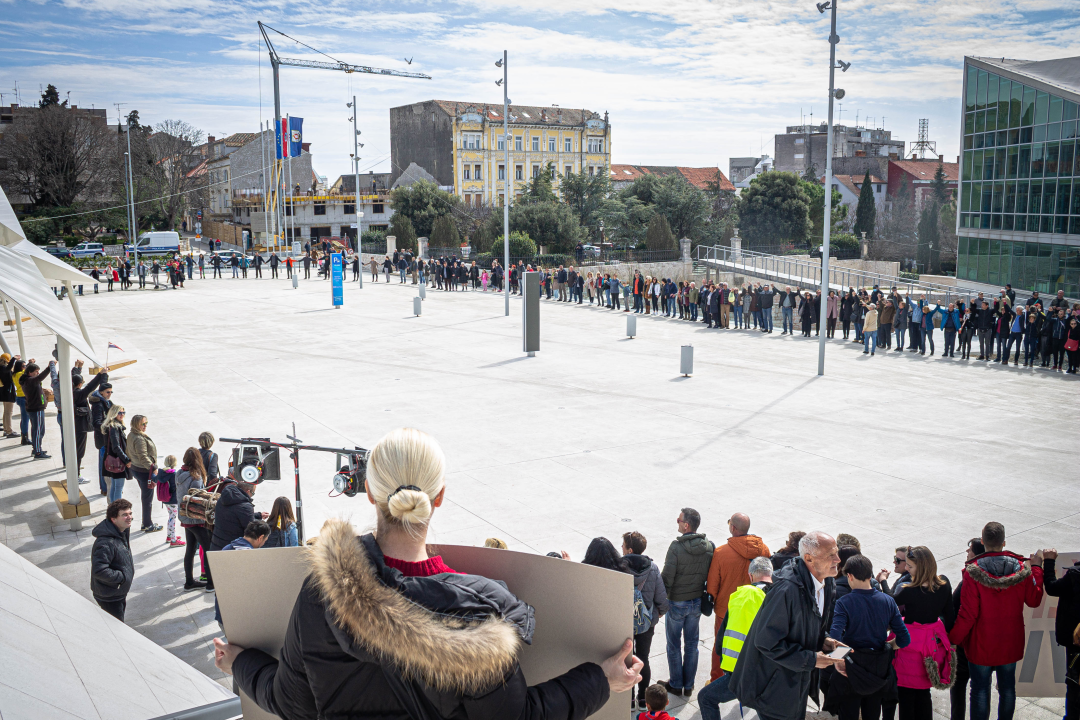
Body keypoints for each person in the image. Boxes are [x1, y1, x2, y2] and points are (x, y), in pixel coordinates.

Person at [215, 427, 641, 719]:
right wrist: (601, 679)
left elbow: (294, 704)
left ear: (369, 494)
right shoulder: (480, 614)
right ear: (439, 497)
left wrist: (239, 662)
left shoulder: (322, 592)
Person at [730, 531, 842, 720]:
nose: (838, 559)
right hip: (773, 690)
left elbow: (808, 624)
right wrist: (811, 660)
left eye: (836, 552)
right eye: (831, 555)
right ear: (809, 558)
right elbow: (766, 641)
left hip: (796, 684)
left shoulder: (827, 582)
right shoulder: (786, 590)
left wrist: (824, 640)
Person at [949, 523, 1046, 720]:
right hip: (1011, 643)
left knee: (980, 690)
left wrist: (953, 639)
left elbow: (967, 614)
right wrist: (1036, 568)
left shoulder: (972, 573)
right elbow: (1034, 600)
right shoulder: (1021, 569)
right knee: (1008, 688)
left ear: (982, 541)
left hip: (980, 645)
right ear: (1004, 542)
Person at [823, 554, 910, 720]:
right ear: (870, 575)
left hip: (850, 668)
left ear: (849, 576)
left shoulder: (844, 602)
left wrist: (837, 661)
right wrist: (887, 646)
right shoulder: (888, 601)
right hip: (877, 670)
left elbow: (835, 636)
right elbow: (904, 639)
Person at [698, 556, 774, 720]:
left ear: (750, 575)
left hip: (743, 673)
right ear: (771, 575)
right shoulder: (780, 595)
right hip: (771, 673)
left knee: (706, 698)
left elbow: (723, 635)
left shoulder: (744, 595)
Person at [706, 512, 771, 681]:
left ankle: (716, 680)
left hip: (726, 608)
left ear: (733, 528)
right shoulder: (763, 550)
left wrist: (712, 600)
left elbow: (713, 584)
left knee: (721, 646)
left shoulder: (721, 552)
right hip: (757, 608)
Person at [893, 546, 955, 720]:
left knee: (905, 695)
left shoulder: (908, 589)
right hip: (930, 645)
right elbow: (949, 614)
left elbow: (889, 601)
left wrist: (882, 581)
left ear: (921, 567)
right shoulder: (944, 583)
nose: (906, 569)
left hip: (909, 643)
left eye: (910, 566)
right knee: (923, 693)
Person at [659, 508, 714, 698]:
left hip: (677, 603)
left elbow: (667, 578)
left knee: (673, 644)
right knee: (692, 644)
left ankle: (675, 683)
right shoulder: (708, 546)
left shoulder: (676, 547)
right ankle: (689, 685)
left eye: (678, 520)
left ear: (686, 525)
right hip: (696, 602)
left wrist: (660, 604)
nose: (677, 522)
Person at [623, 531, 669, 709]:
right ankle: (643, 700)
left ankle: (628, 700)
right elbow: (661, 598)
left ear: (630, 549)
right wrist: (656, 615)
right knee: (643, 659)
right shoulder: (653, 568)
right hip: (645, 624)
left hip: (623, 623)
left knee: (625, 660)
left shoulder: (619, 567)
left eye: (623, 546)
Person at [949, 538, 985, 720]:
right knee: (980, 688)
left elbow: (957, 611)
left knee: (959, 685)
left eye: (970, 550)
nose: (966, 552)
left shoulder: (968, 581)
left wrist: (952, 639)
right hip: (984, 645)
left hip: (966, 645)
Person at [1042, 549, 1078, 720]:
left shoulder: (1075, 576)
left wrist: (1048, 562)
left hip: (1076, 644)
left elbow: (1051, 587)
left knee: (1074, 684)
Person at [214, 519, 272, 624]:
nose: (263, 544)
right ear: (260, 538)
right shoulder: (249, 557)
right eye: (265, 540)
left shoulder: (227, 548)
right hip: (238, 617)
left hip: (222, 612)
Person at [91, 499, 135, 622]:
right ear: (113, 519)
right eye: (124, 515)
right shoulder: (105, 543)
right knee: (116, 629)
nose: (129, 517)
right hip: (110, 596)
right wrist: (121, 578)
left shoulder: (121, 531)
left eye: (130, 513)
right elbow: (99, 570)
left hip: (117, 592)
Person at [176, 447, 212, 591]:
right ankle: (211, 583)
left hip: (185, 517)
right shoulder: (195, 477)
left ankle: (189, 582)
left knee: (190, 550)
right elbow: (199, 498)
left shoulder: (179, 473)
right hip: (195, 519)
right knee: (209, 549)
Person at [126, 414, 163, 533]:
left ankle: (145, 523)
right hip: (144, 471)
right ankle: (147, 524)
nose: (145, 425)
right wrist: (154, 468)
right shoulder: (139, 438)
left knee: (145, 497)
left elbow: (129, 451)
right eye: (143, 424)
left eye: (146, 423)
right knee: (147, 499)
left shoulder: (132, 434)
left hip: (136, 469)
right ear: (136, 424)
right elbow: (143, 457)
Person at [210, 477, 258, 552]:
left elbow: (233, 516)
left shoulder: (223, 498)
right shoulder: (245, 506)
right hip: (233, 549)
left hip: (217, 545)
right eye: (253, 493)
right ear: (248, 491)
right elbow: (250, 530)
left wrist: (258, 515)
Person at [18, 360, 53, 459]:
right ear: (30, 372)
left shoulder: (28, 380)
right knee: (38, 430)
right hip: (36, 409)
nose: (37, 373)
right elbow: (40, 378)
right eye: (36, 371)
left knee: (39, 430)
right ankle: (37, 451)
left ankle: (37, 448)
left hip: (36, 408)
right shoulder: (30, 381)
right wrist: (49, 368)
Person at [101, 404, 131, 502]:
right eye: (119, 413)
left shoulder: (109, 425)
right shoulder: (114, 427)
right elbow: (116, 447)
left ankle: (113, 509)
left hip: (111, 460)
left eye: (123, 412)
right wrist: (126, 460)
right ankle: (118, 511)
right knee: (118, 488)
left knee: (114, 487)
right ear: (114, 413)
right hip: (117, 461)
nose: (122, 415)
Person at [154, 454, 182, 547]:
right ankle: (173, 541)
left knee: (170, 517)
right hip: (173, 499)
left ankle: (169, 536)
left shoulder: (161, 473)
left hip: (165, 499)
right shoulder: (173, 474)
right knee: (172, 519)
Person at [0, 353, 17, 438]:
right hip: (8, 392)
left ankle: (6, 430)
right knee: (9, 412)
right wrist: (14, 359)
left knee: (6, 412)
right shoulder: (3, 368)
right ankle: (9, 431)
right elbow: (8, 369)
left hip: (4, 392)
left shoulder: (2, 368)